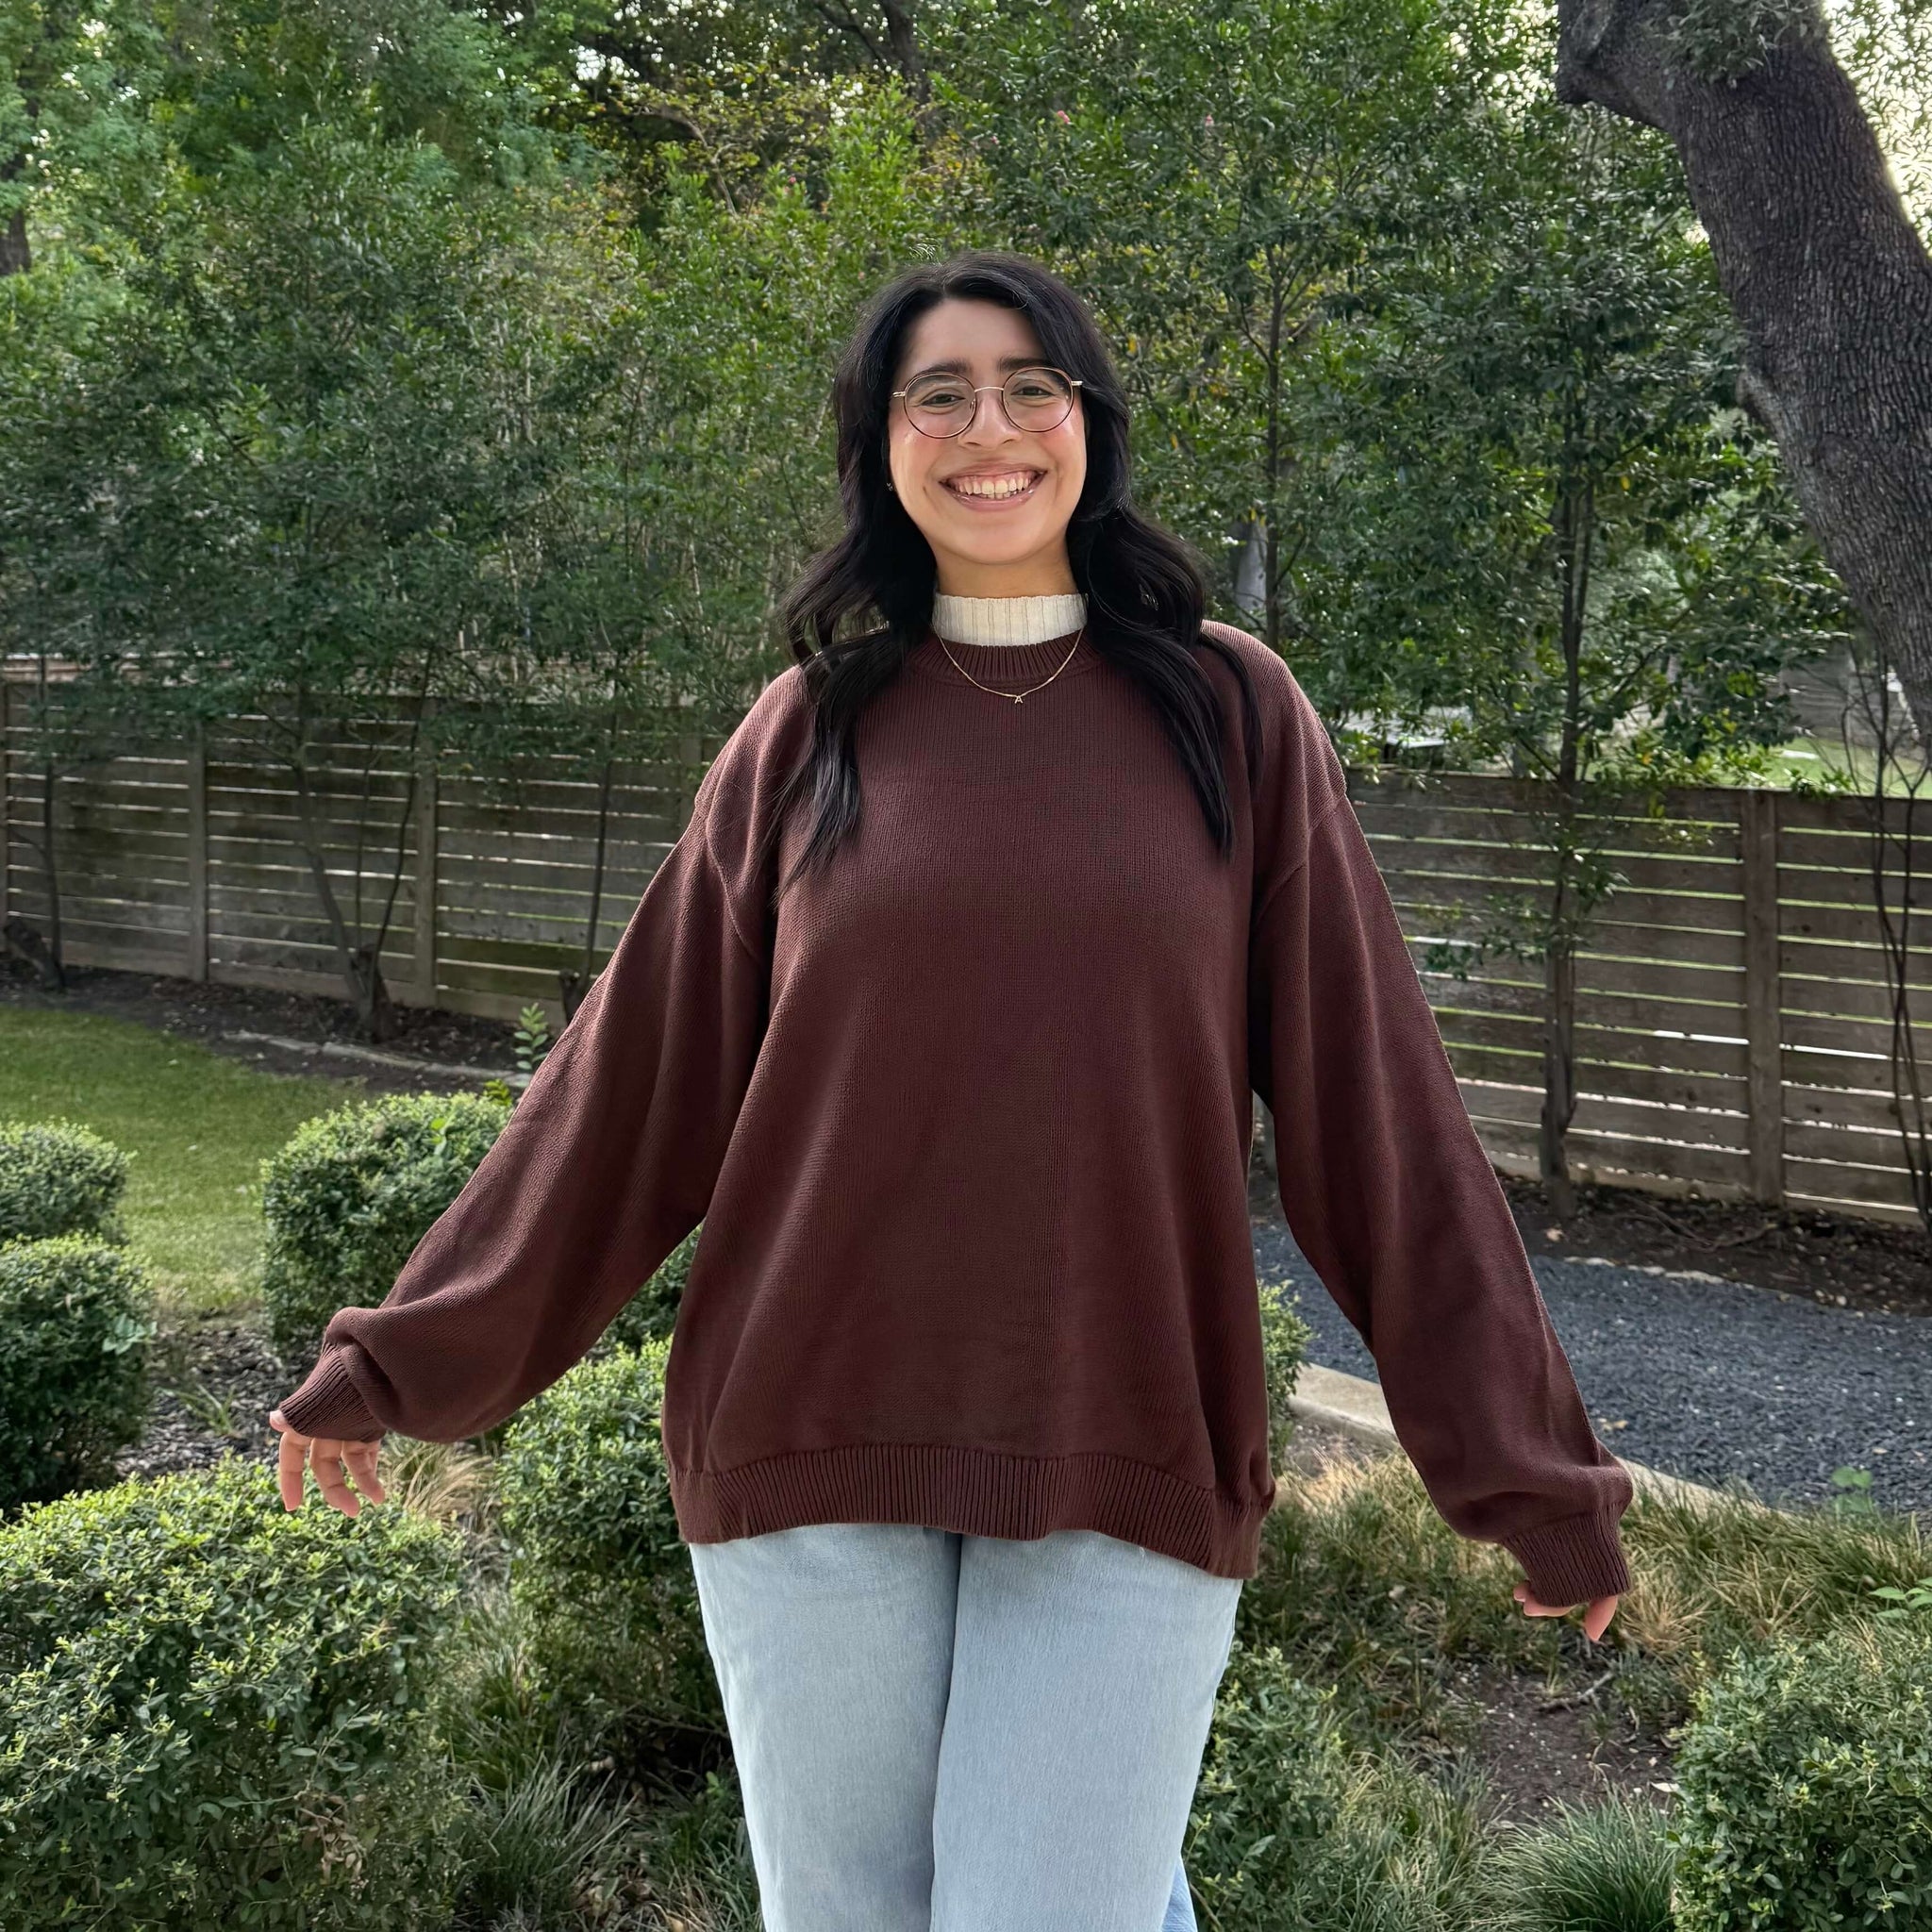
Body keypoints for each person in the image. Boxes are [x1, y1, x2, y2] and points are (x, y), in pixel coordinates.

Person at [271, 248, 1631, 1932]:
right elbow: (625, 1095)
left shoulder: (1230, 712)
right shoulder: (805, 733)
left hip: (1129, 1432)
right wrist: (398, 1361)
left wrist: (1529, 1474)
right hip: (809, 1432)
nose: (989, 430)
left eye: (1028, 387)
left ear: (1088, 423)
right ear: (881, 445)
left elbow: (1380, 1116)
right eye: (939, 395)